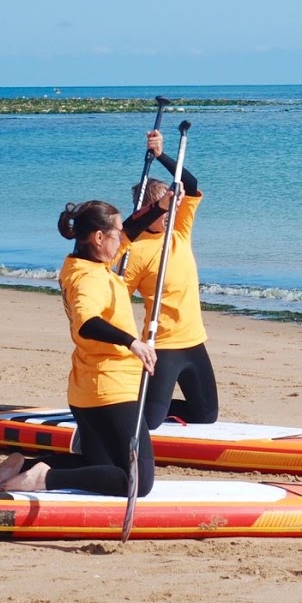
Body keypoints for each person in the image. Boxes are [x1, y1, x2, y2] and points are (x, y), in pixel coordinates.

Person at [0, 197, 166, 494]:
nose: (123, 239)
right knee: (137, 481)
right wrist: (132, 342)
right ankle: (45, 478)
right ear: (99, 237)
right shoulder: (87, 279)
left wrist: (163, 205)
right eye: (116, 234)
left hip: (88, 390)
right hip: (112, 389)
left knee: (98, 463)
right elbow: (86, 322)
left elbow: (131, 228)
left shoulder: (84, 261)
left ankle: (26, 467)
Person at [122, 128, 219, 429]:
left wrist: (161, 155)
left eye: (173, 204)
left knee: (206, 416)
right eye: (164, 207)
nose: (172, 210)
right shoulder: (134, 252)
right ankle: (122, 406)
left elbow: (190, 184)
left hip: (194, 341)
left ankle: (145, 402)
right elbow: (117, 300)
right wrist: (130, 343)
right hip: (162, 344)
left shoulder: (179, 232)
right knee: (149, 422)